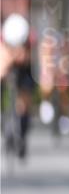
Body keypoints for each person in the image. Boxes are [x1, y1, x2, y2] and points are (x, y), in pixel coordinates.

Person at [1, 14, 35, 159]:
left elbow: (30, 59)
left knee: (24, 99)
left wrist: (22, 56)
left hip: (24, 69)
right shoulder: (3, 38)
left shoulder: (30, 38)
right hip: (7, 62)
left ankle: (22, 132)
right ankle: (4, 122)